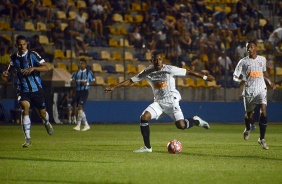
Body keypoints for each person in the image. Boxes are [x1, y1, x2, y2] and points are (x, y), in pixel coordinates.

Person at [105, 51, 214, 153]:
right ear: (151, 61)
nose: (158, 62)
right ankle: (147, 147)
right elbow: (130, 81)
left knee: (181, 125)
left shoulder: (169, 69)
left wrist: (204, 77)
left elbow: (188, 72)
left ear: (162, 60)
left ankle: (196, 121)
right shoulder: (147, 72)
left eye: (160, 59)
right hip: (159, 103)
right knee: (144, 117)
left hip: (172, 102)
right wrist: (114, 86)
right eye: (155, 60)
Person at [2, 35, 54, 148]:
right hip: (23, 90)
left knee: (43, 114)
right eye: (19, 44)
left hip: (36, 90)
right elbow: (10, 67)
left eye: (24, 44)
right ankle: (28, 139)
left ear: (27, 44)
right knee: (24, 108)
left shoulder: (33, 55)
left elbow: (46, 68)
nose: (22, 46)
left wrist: (33, 68)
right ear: (16, 45)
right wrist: (6, 73)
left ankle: (46, 122)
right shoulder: (13, 57)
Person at [233, 40, 276, 150]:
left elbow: (264, 73)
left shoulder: (262, 60)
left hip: (261, 88)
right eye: (247, 48)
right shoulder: (243, 62)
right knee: (249, 115)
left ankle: (261, 138)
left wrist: (270, 82)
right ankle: (248, 128)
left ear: (256, 48)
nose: (249, 49)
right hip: (249, 91)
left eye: (251, 47)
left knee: (263, 111)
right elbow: (235, 76)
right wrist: (241, 79)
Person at [72, 59, 95, 131]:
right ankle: (79, 126)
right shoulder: (76, 73)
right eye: (80, 63)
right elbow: (72, 80)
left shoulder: (89, 73)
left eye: (82, 63)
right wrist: (73, 82)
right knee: (79, 108)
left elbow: (93, 82)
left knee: (80, 106)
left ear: (85, 64)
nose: (80, 65)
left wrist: (87, 84)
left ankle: (86, 125)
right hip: (77, 91)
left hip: (84, 91)